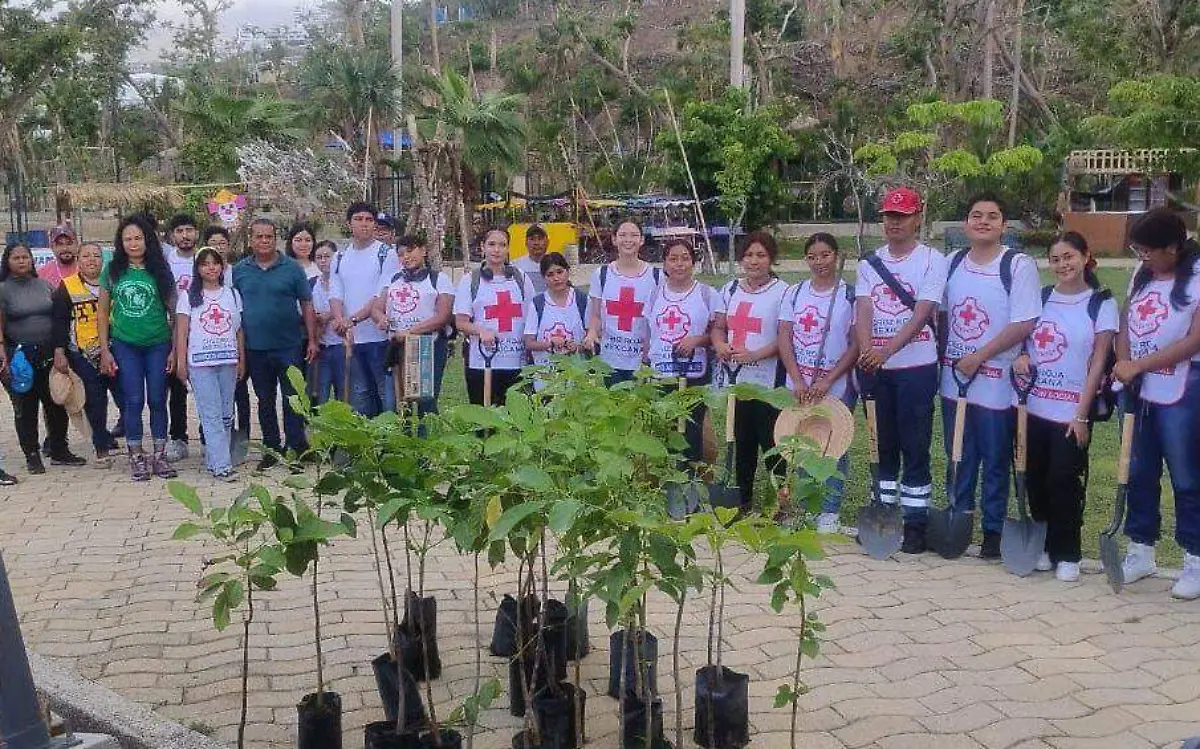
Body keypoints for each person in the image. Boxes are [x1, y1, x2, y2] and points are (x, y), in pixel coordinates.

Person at [939, 193, 1040, 559]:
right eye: (976, 215)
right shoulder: (951, 263)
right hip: (955, 379)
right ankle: (959, 517)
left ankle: (993, 531)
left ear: (1003, 225)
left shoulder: (1017, 265)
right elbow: (942, 315)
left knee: (996, 458)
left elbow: (1024, 321)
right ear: (966, 223)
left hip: (997, 381)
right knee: (958, 455)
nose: (983, 222)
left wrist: (980, 356)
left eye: (992, 216)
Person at [1012, 232, 1117, 582]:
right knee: (1035, 478)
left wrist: (1082, 415)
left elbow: (1099, 362)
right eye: (1055, 259)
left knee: (1064, 480)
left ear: (1086, 256)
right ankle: (1042, 545)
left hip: (1072, 412)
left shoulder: (1101, 303)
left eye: (1069, 256)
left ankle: (1067, 550)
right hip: (1034, 407)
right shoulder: (1041, 299)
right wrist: (1023, 356)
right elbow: (1024, 343)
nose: (1062, 265)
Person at [854, 186, 947, 554]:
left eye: (902, 216)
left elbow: (923, 312)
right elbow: (863, 308)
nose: (894, 222)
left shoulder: (931, 260)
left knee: (915, 445)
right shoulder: (868, 263)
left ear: (917, 219)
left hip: (916, 367)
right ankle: (883, 510)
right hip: (875, 368)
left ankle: (915, 522)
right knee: (881, 444)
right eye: (889, 216)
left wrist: (886, 351)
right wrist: (867, 350)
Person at [1113, 208, 1200, 600]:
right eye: (1138, 249)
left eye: (1149, 250)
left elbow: (1194, 341)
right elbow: (1125, 322)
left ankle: (1195, 557)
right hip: (1138, 388)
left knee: (1186, 475)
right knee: (1138, 469)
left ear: (1173, 247)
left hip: (1184, 388)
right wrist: (1125, 362)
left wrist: (1139, 364)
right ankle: (1141, 548)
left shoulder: (1197, 277)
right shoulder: (1142, 272)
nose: (1142, 256)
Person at [779, 233, 859, 534]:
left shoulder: (848, 295)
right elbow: (784, 337)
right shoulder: (795, 293)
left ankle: (829, 511)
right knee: (800, 443)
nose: (819, 262)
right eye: (812, 256)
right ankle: (807, 507)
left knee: (834, 445)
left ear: (836, 256)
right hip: (799, 384)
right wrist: (798, 380)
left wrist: (827, 380)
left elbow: (854, 344)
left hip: (835, 386)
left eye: (825, 255)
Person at [711, 230, 790, 511]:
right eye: (749, 255)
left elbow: (784, 337)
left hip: (769, 384)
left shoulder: (783, 292)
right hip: (738, 383)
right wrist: (720, 345)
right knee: (742, 445)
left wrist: (753, 355)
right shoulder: (730, 289)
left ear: (771, 259)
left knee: (773, 446)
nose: (754, 261)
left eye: (761, 255)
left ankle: (778, 505)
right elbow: (719, 326)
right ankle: (741, 502)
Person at [97, 216, 178, 481]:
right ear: (120, 243)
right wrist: (105, 350)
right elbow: (102, 312)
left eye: (138, 238)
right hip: (125, 344)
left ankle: (159, 454)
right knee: (132, 400)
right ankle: (136, 455)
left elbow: (174, 312)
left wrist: (174, 349)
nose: (133, 243)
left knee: (157, 399)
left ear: (147, 240)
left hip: (158, 343)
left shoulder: (160, 269)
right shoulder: (112, 270)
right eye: (127, 239)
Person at [233, 218, 318, 469]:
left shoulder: (292, 269)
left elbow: (307, 303)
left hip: (289, 345)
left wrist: (312, 339)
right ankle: (271, 449)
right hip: (255, 348)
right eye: (258, 236)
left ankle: (297, 448)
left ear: (275, 238)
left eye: (268, 236)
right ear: (251, 239)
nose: (264, 241)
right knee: (265, 399)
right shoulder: (239, 270)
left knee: (293, 399)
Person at [0, 242, 85, 477]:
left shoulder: (44, 286)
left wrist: (60, 349)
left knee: (56, 401)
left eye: (25, 257)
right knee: (25, 406)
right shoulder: (3, 290)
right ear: (7, 262)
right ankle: (32, 454)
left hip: (49, 353)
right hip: (19, 356)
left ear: (32, 260)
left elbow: (59, 317)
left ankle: (59, 449)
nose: (21, 261)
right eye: (16, 258)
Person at [175, 247, 244, 481]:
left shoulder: (232, 295)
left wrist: (241, 358)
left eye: (215, 263)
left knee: (226, 414)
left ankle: (215, 458)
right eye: (205, 264)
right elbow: (181, 331)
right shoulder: (188, 297)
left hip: (227, 361)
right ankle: (222, 466)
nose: (211, 267)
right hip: (200, 363)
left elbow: (239, 330)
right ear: (198, 269)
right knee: (211, 414)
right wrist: (180, 362)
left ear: (222, 267)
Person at [51, 242, 123, 467]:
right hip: (82, 354)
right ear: (78, 260)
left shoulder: (113, 283)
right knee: (95, 401)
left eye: (96, 256)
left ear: (103, 260)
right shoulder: (67, 286)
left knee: (126, 397)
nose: (91, 260)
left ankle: (131, 441)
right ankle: (101, 448)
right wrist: (59, 352)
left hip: (114, 348)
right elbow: (60, 321)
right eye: (86, 256)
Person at [644, 239, 714, 463]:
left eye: (685, 258)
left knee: (693, 432)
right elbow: (649, 334)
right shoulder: (654, 295)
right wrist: (645, 366)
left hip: (694, 375)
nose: (679, 264)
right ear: (664, 263)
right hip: (661, 375)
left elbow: (719, 333)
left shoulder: (707, 294)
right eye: (673, 259)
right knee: (665, 430)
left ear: (693, 262)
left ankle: (692, 479)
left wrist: (698, 340)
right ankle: (668, 482)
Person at [331, 202, 400, 417]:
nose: (364, 224)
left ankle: (387, 443)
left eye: (369, 220)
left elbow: (381, 294)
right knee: (359, 395)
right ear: (348, 224)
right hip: (351, 339)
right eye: (359, 219)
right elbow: (336, 292)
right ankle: (364, 447)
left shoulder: (386, 254)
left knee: (385, 394)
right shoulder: (340, 256)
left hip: (379, 337)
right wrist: (340, 321)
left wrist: (352, 320)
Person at [372, 234, 454, 414]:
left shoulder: (438, 279)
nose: (406, 257)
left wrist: (410, 332)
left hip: (427, 346)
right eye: (401, 254)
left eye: (410, 251)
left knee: (425, 400)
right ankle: (405, 439)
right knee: (400, 401)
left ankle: (427, 440)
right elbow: (376, 308)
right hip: (398, 346)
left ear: (423, 251)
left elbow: (443, 316)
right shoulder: (393, 280)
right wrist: (381, 319)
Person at [454, 228, 534, 406]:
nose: (496, 250)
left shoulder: (521, 279)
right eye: (491, 244)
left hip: (516, 362)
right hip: (482, 362)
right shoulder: (470, 280)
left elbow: (532, 318)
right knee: (484, 420)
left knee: (516, 420)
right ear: (482, 247)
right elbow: (461, 322)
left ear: (508, 249)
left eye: (502, 245)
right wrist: (481, 330)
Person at [583, 220, 661, 384]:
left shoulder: (656, 276)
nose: (628, 240)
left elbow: (657, 319)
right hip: (609, 361)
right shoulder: (601, 274)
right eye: (623, 235)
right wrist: (591, 333)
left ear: (642, 240)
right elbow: (596, 315)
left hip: (642, 360)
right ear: (614, 239)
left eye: (634, 235)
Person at [203, 224, 249, 438]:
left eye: (222, 243)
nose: (218, 247)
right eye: (213, 243)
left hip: (235, 338)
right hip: (211, 342)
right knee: (212, 395)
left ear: (228, 246)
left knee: (239, 390)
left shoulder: (238, 271)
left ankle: (243, 431)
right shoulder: (203, 275)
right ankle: (210, 435)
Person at [163, 213, 200, 462]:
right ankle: (178, 437)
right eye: (179, 231)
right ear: (172, 235)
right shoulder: (165, 263)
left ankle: (210, 436)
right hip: (173, 332)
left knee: (206, 388)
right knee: (176, 387)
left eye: (189, 230)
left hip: (204, 332)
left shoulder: (205, 259)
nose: (185, 235)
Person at [525, 251, 589, 392]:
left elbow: (591, 337)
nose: (556, 278)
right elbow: (529, 343)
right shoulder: (537, 304)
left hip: (577, 377)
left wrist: (577, 347)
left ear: (568, 272)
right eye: (550, 274)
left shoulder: (581, 300)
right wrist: (550, 344)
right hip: (545, 380)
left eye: (559, 272)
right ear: (543, 278)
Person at [310, 240, 345, 405]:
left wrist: (328, 315)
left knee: (344, 393)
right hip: (322, 346)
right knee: (321, 393)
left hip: (342, 345)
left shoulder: (344, 281)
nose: (323, 260)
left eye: (327, 256)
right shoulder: (312, 284)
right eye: (319, 257)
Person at [38, 224, 80, 288]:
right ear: (52, 247)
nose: (65, 248)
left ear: (77, 244)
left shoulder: (88, 270)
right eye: (60, 244)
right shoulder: (42, 275)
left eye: (69, 243)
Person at [513, 224, 550, 294]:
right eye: (532, 239)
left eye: (540, 239)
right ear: (526, 242)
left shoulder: (555, 264)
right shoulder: (516, 266)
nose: (536, 243)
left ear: (547, 242)